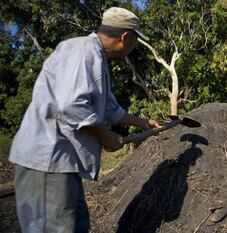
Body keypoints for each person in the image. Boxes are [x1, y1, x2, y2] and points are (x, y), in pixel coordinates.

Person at [8, 7, 160, 233]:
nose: (134, 45)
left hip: (64, 164)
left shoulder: (96, 57)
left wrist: (144, 123)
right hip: (48, 161)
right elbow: (71, 105)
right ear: (125, 37)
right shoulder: (82, 51)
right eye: (136, 39)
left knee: (77, 226)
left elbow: (110, 108)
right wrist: (106, 136)